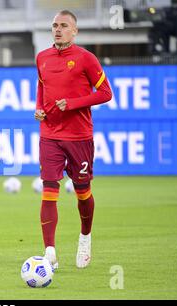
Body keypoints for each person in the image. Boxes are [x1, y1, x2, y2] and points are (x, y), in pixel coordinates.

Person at [34, 10, 112, 269]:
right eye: (55, 25)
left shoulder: (86, 59)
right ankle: (49, 252)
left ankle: (85, 237)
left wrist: (73, 104)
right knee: (48, 189)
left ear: (75, 30)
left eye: (64, 25)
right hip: (50, 134)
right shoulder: (42, 57)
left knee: (82, 192)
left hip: (79, 136)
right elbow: (42, 86)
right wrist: (39, 108)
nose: (58, 29)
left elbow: (105, 93)